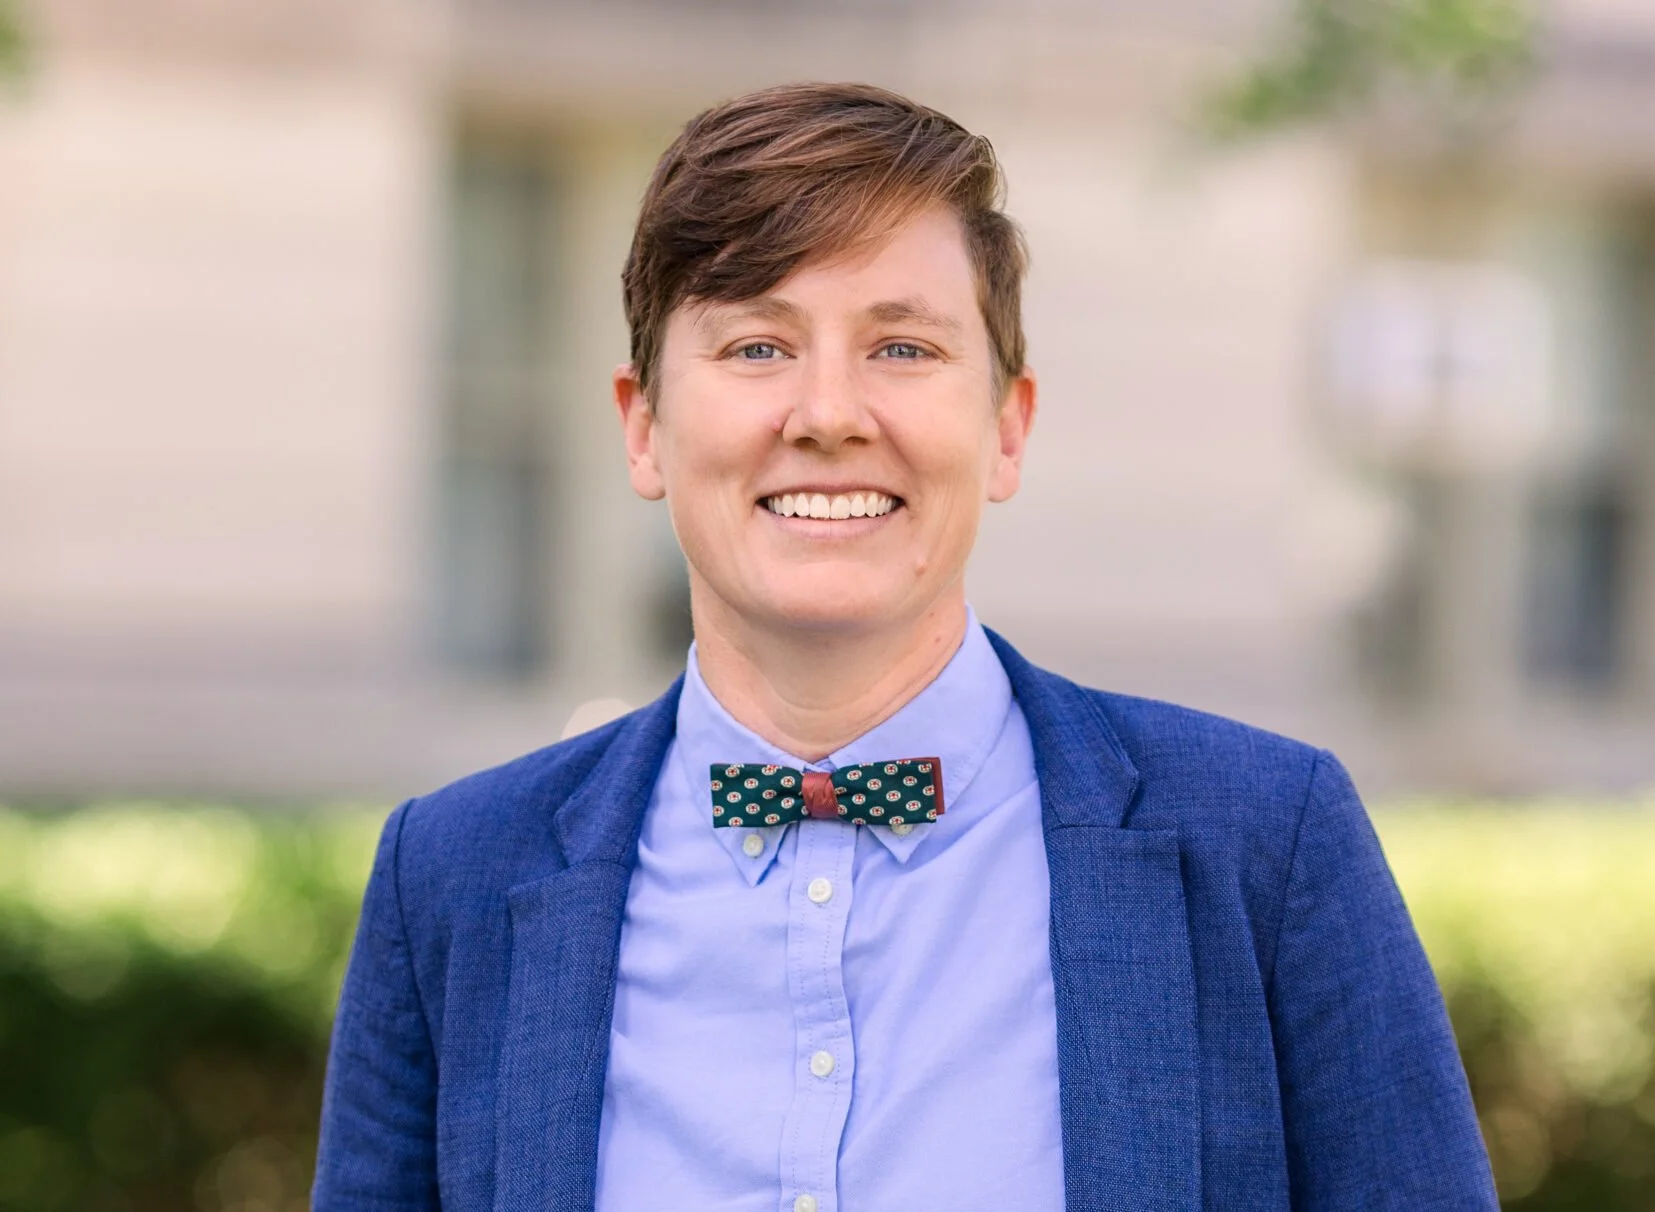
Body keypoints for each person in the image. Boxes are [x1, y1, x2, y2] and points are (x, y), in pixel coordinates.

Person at [314, 83, 1498, 1211]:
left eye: (901, 349)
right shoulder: (450, 879)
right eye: (755, 349)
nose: (827, 413)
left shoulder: (1264, 845)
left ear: (1006, 429)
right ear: (642, 427)